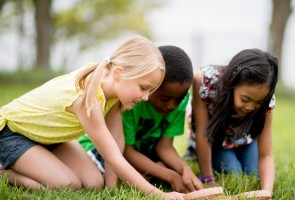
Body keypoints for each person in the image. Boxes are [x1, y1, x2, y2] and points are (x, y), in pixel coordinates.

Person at [0, 35, 184, 200]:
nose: (145, 97)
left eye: (150, 90)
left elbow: (116, 139)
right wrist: (159, 195)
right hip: (13, 134)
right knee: (68, 184)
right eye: (143, 88)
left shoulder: (112, 90)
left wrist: (111, 188)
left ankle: (37, 162)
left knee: (94, 182)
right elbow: (113, 157)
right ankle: (5, 173)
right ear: (119, 73)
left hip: (48, 138)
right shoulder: (87, 98)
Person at [79, 45, 203, 193]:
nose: (171, 105)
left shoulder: (179, 102)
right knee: (154, 174)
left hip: (141, 153)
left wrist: (184, 169)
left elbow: (164, 147)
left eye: (179, 99)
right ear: (153, 87)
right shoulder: (132, 101)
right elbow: (125, 151)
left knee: (163, 167)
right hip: (107, 151)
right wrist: (171, 176)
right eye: (165, 98)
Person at [185, 49, 278, 193]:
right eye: (245, 99)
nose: (251, 107)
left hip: (244, 139)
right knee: (234, 172)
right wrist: (208, 178)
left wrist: (267, 191)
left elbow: (266, 154)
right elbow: (203, 134)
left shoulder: (267, 102)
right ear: (232, 84)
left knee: (253, 174)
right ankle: (192, 151)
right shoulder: (205, 83)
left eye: (259, 102)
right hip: (215, 139)